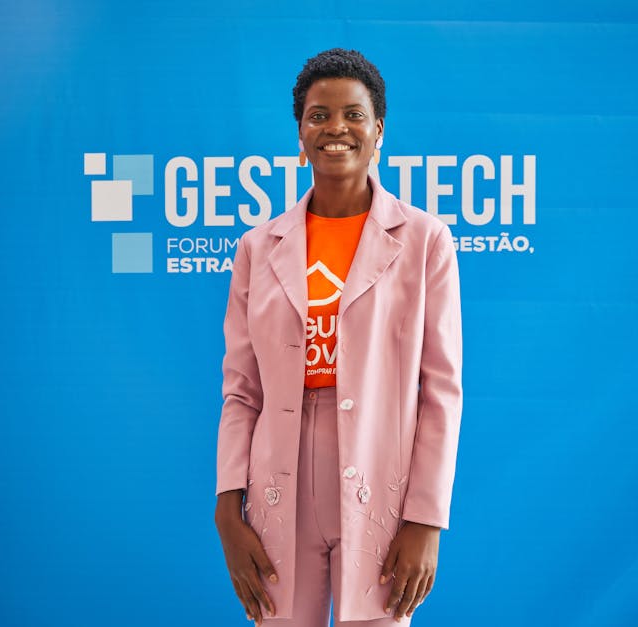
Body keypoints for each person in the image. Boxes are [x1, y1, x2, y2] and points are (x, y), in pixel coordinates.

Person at [215, 48, 463, 626]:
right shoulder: (258, 248)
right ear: (300, 134)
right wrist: (229, 509)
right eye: (317, 115)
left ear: (379, 130)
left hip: (383, 478)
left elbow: (441, 390)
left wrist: (426, 519)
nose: (335, 129)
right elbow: (241, 390)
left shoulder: (425, 240)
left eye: (353, 115)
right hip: (278, 479)